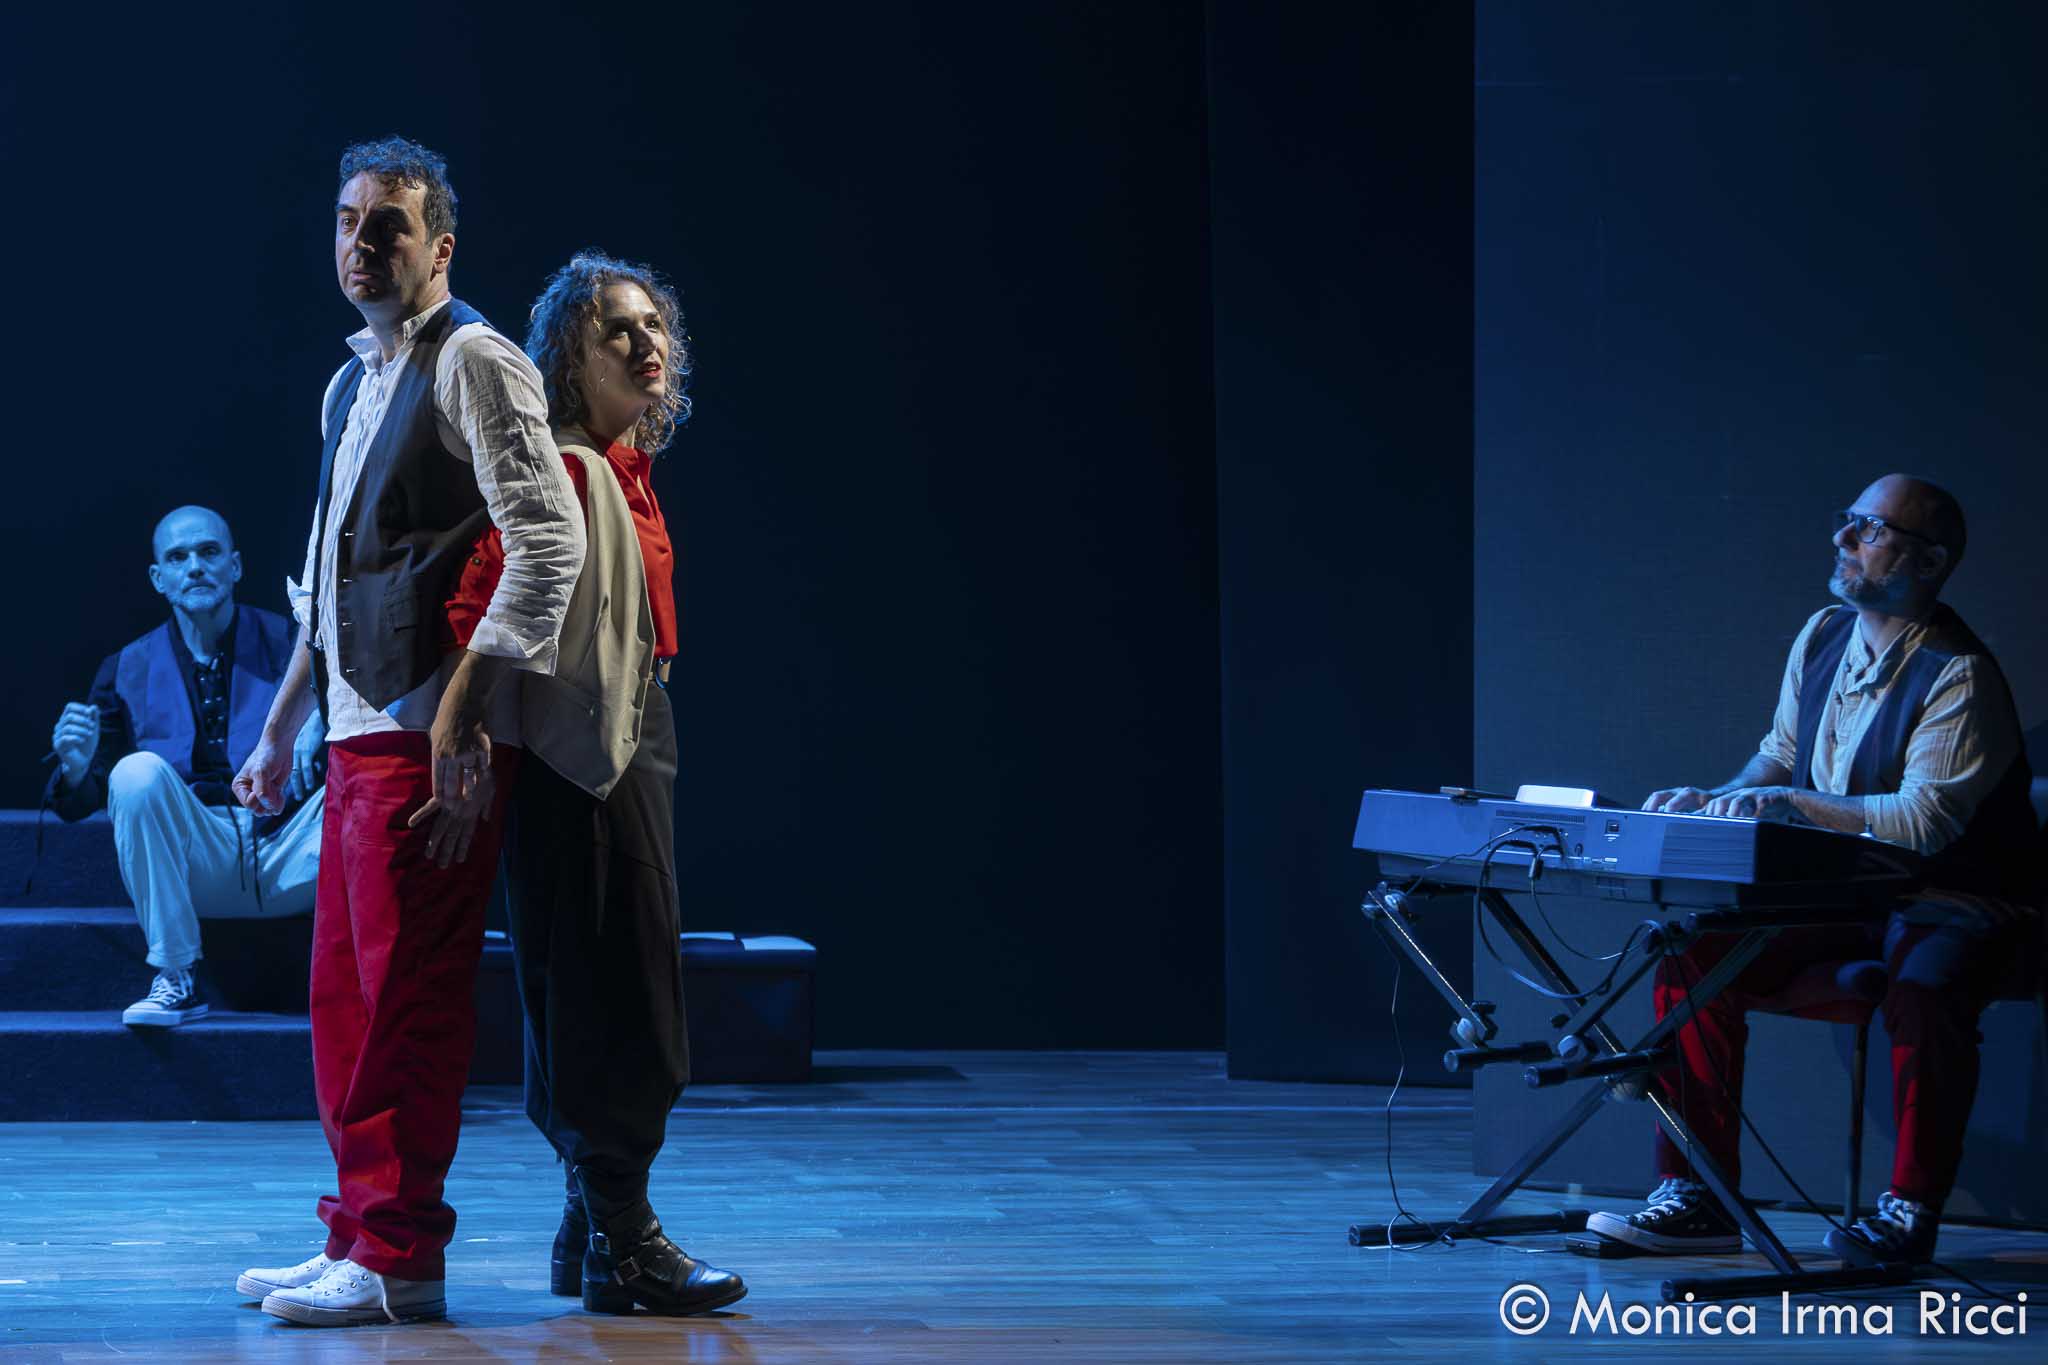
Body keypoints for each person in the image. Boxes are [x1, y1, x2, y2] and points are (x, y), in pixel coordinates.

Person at [229, 137, 584, 1328]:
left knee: (405, 1002)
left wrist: (467, 712)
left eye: (390, 225)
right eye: (348, 221)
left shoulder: (476, 359)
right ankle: (358, 1231)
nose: (362, 244)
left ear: (441, 249)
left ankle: (397, 1255)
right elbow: (330, 576)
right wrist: (280, 726)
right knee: (346, 998)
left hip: (427, 730)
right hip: (351, 731)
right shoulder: (350, 383)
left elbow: (549, 544)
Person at [1587, 474, 2038, 1267]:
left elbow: (1923, 823)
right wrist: (1718, 798)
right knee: (1694, 951)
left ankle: (1909, 1213)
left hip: (1953, 895)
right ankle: (1698, 1196)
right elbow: (1783, 754)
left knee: (1925, 981)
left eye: (1870, 529)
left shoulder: (1958, 674)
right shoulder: (1823, 633)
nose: (1842, 539)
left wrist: (1792, 804)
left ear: (1928, 561)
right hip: (1849, 893)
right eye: (1848, 522)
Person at [502, 252, 745, 1314]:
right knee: (617, 980)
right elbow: (495, 610)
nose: (648, 344)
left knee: (605, 969)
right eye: (618, 329)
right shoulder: (568, 469)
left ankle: (589, 1223)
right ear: (571, 353)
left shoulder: (619, 464)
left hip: (626, 729)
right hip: (586, 748)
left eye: (655, 326)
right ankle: (623, 1235)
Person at [45, 505, 325, 1026]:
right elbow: (83, 802)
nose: (195, 566)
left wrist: (320, 718)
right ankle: (175, 974)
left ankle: (367, 974)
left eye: (208, 552)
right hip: (198, 863)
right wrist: (77, 767)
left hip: (292, 852)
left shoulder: (296, 647)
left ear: (235, 566)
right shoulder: (125, 668)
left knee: (365, 777)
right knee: (135, 773)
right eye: (178, 557)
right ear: (159, 578)